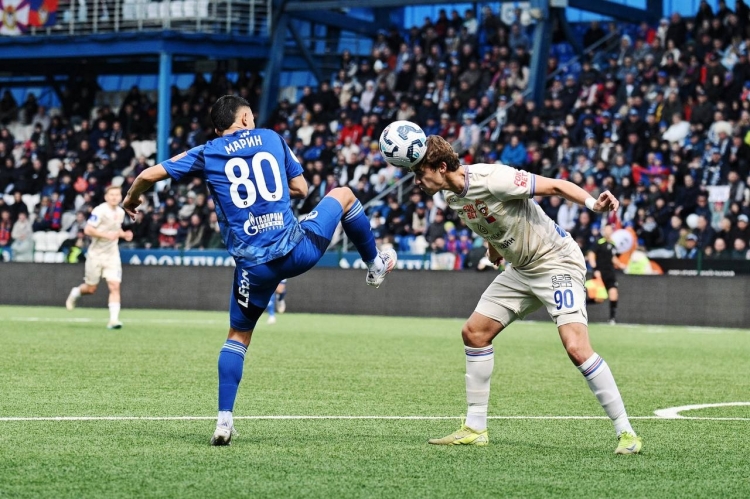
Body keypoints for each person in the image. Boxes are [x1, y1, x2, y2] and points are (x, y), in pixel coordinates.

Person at [121, 95, 396, 446]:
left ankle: (224, 421)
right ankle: (374, 265)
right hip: (297, 250)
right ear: (246, 118)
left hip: (254, 269)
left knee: (238, 337)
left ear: (217, 129)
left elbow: (148, 175)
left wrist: (131, 199)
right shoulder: (270, 138)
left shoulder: (208, 152)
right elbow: (301, 188)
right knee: (343, 194)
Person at [410, 135, 641, 455]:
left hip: (556, 261)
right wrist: (494, 248)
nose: (416, 180)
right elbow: (488, 220)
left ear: (441, 167)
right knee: (475, 333)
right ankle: (475, 428)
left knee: (576, 348)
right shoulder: (452, 197)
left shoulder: (494, 178)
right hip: (521, 270)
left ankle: (626, 432)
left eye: (420, 172)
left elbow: (556, 186)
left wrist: (593, 204)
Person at [65, 185, 133, 329]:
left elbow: (115, 229)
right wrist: (106, 235)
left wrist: (124, 234)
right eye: (111, 195)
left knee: (114, 286)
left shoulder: (120, 212)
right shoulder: (100, 210)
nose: (114, 197)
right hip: (96, 254)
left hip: (112, 255)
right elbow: (88, 229)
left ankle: (113, 320)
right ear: (106, 197)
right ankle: (76, 292)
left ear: (121, 197)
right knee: (91, 288)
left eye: (117, 195)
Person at [587, 225, 627, 325]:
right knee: (598, 299)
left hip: (610, 273)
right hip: (600, 273)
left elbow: (612, 257)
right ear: (603, 231)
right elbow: (591, 255)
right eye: (606, 230)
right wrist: (595, 269)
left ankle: (612, 319)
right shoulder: (599, 242)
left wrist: (620, 265)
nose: (608, 232)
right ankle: (581, 306)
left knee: (614, 293)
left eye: (610, 230)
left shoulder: (612, 244)